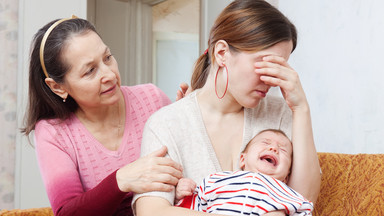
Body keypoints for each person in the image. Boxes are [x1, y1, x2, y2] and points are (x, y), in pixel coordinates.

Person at [134, 0, 321, 216]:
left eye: (279, 68)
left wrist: (301, 109)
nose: (271, 81)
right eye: (265, 64)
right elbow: (152, 211)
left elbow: (303, 201)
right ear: (222, 53)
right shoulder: (167, 124)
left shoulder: (280, 113)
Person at [21, 16, 184, 216]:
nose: (109, 75)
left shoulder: (152, 98)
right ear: (58, 87)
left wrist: (194, 115)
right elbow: (67, 213)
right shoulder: (54, 132)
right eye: (90, 71)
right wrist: (121, 180)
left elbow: (192, 169)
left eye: (107, 58)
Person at [174, 129, 313, 215]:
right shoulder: (217, 180)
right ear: (242, 159)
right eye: (265, 143)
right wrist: (182, 195)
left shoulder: (287, 194)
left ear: (286, 177)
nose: (274, 149)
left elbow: (305, 211)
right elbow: (194, 207)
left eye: (283, 150)